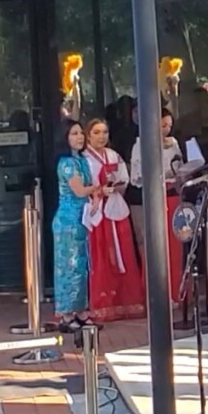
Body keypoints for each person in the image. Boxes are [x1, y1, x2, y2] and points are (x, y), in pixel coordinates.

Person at [83, 118, 145, 322]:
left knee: (123, 253)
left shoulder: (114, 155)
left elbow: (125, 179)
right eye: (96, 133)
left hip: (115, 208)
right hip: (97, 211)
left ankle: (125, 300)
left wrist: (116, 187)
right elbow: (83, 187)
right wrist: (99, 191)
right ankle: (102, 303)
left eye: (104, 132)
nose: (101, 137)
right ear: (88, 135)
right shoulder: (84, 159)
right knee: (102, 254)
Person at [129, 107, 184, 299]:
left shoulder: (174, 142)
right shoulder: (140, 145)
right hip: (154, 196)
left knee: (175, 244)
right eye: (162, 126)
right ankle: (157, 293)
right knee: (156, 246)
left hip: (172, 194)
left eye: (169, 125)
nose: (166, 130)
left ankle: (176, 289)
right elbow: (136, 177)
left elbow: (178, 167)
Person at [52, 119, 99, 333]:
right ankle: (66, 313)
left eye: (81, 133)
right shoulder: (67, 163)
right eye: (74, 134)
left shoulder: (81, 160)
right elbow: (80, 191)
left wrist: (96, 196)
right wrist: (97, 188)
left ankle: (81, 311)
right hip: (68, 221)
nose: (79, 137)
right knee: (68, 267)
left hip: (81, 218)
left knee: (82, 266)